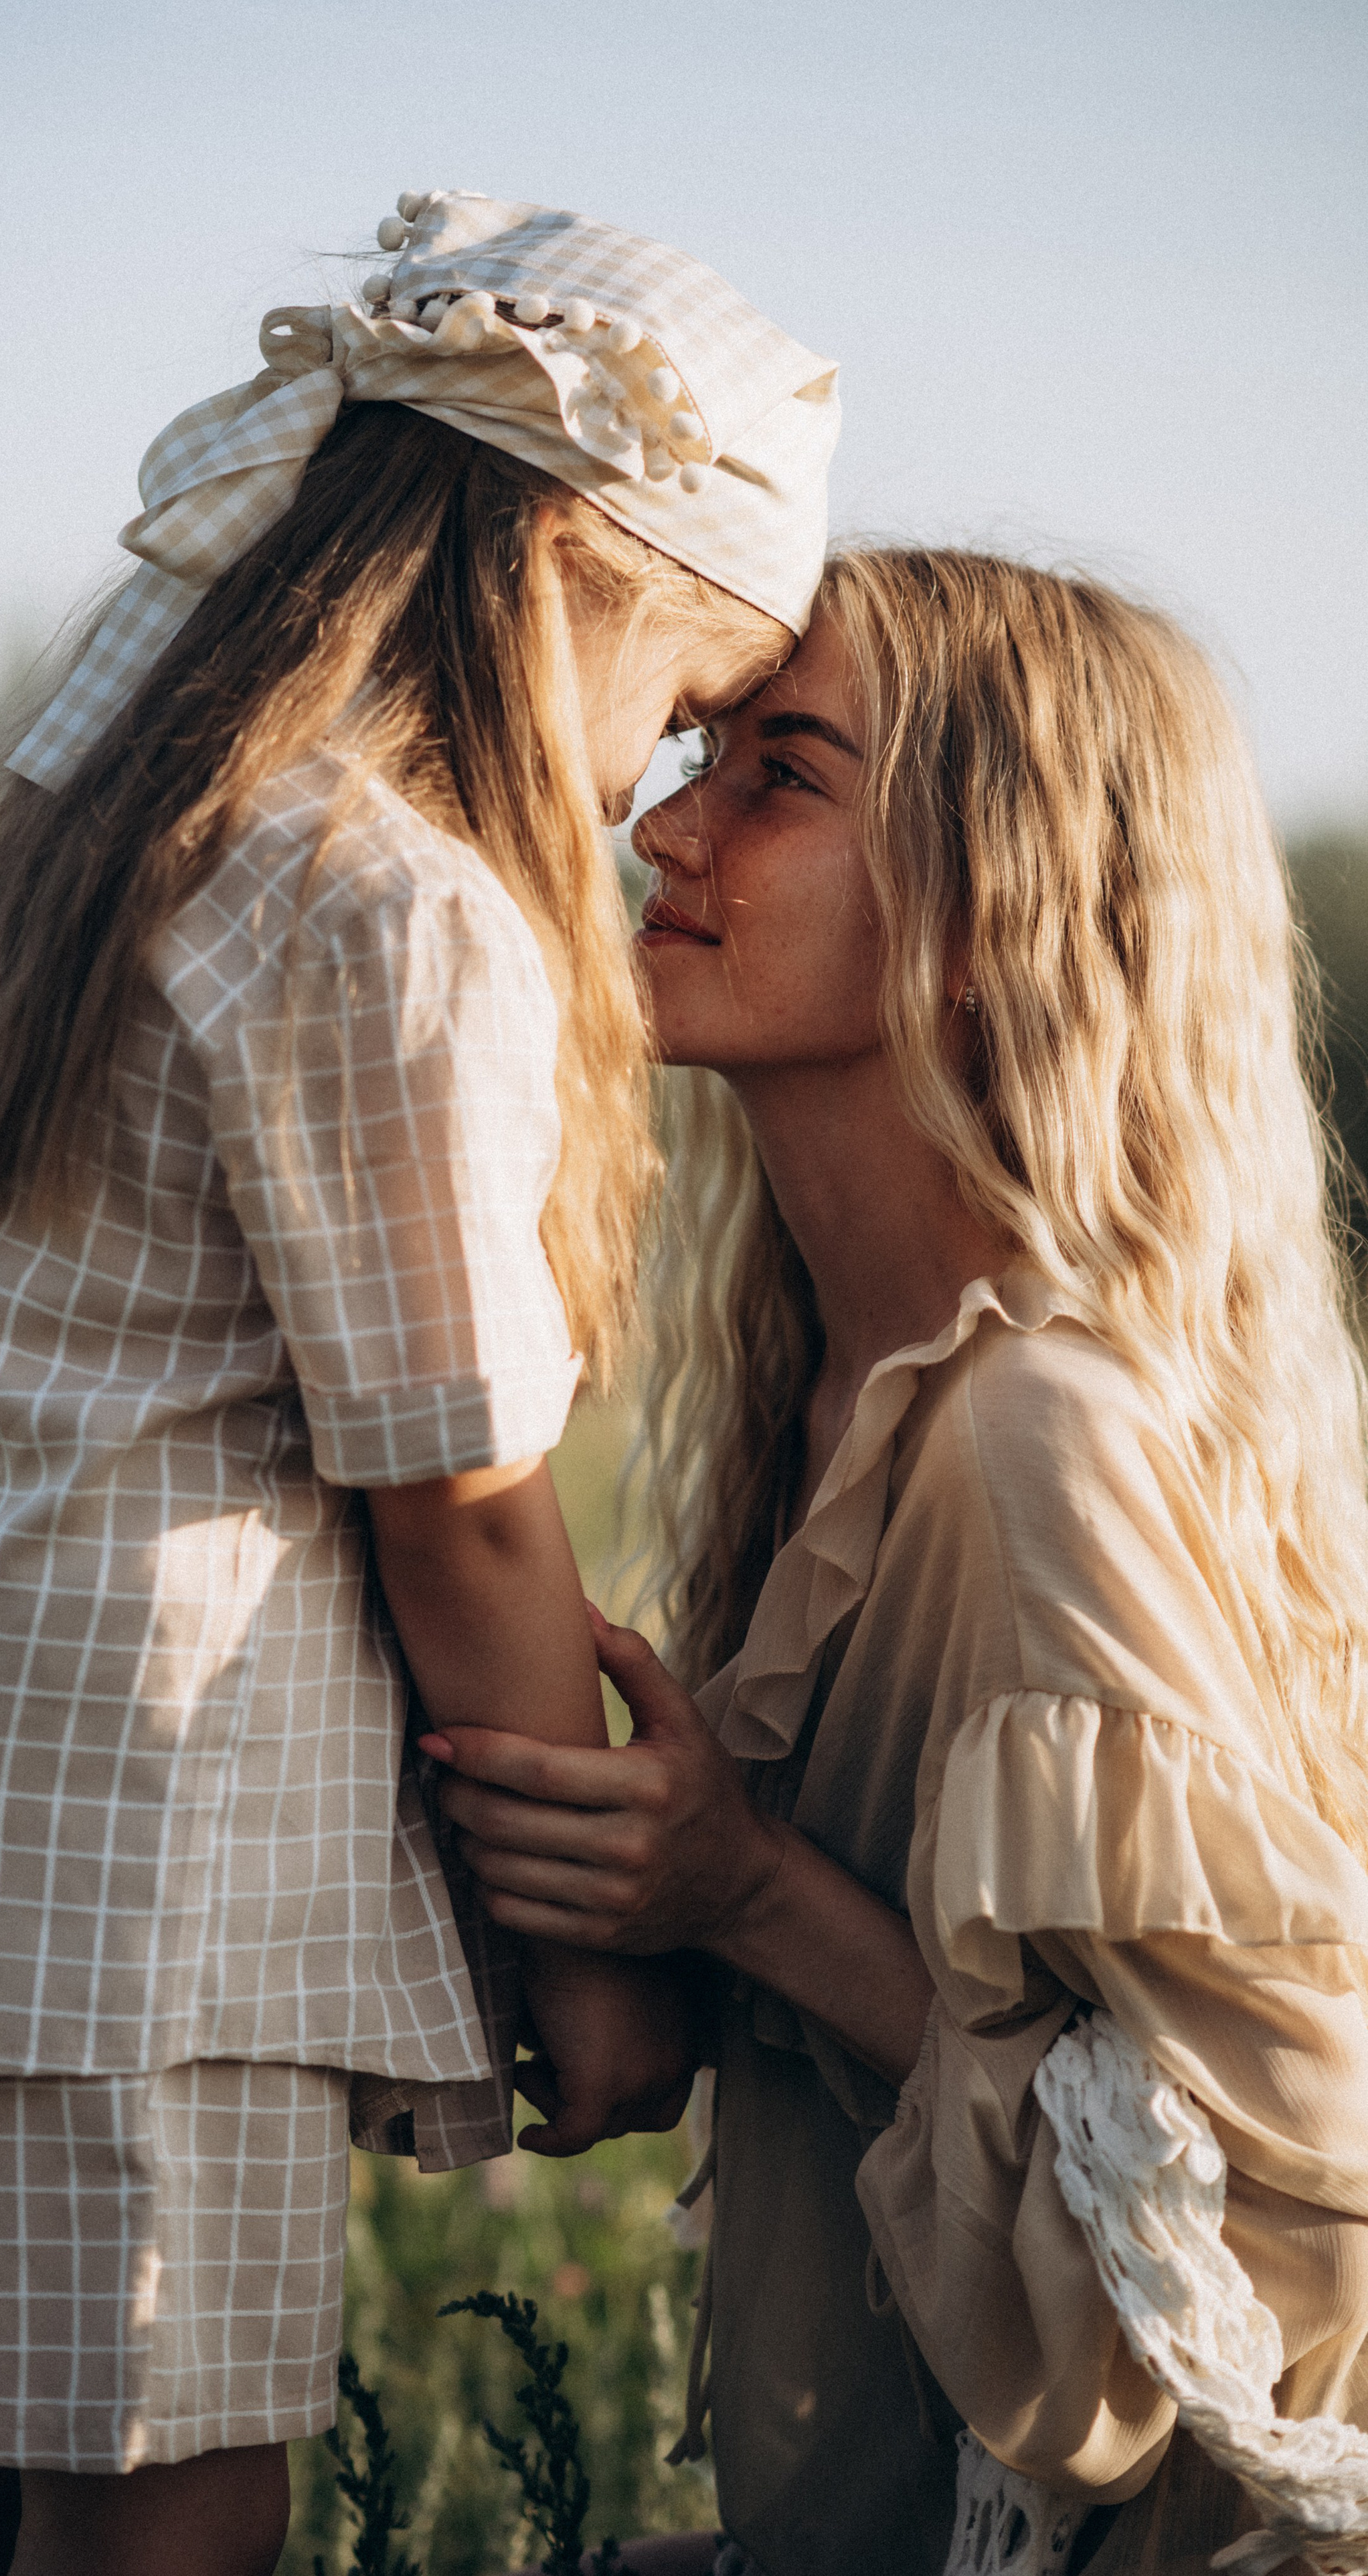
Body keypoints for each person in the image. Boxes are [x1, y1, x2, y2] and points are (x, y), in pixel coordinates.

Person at [0, 191, 841, 2576]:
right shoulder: (399, 902)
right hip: (130, 1854)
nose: (663, 786)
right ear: (568, 575)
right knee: (166, 2524)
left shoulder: (174, 819)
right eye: (681, 703)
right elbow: (460, 1493)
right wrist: (593, 1963)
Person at [427, 549, 1368, 2575]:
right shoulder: (820, 1386)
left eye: (781, 773)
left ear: (989, 913)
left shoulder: (1050, 1439)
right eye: (696, 748)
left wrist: (744, 1893)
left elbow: (1293, 2235)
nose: (661, 823)